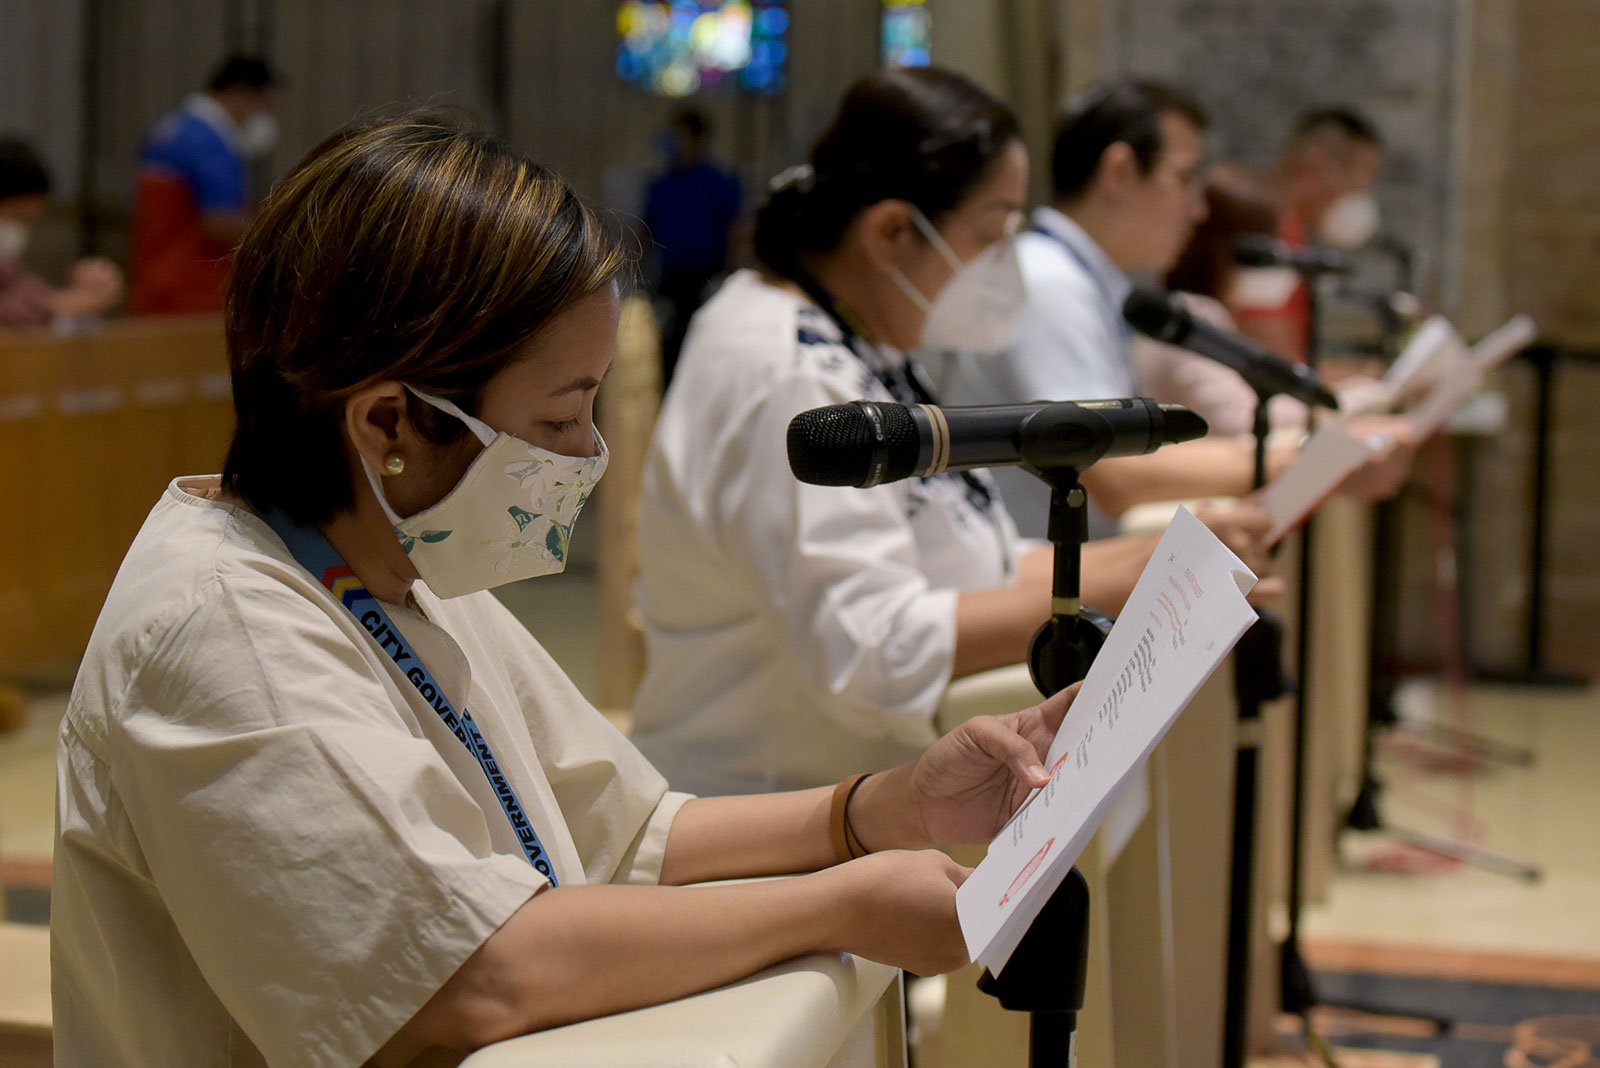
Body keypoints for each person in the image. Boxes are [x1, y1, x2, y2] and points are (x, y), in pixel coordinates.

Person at [52, 110, 1078, 1067]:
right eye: (553, 423)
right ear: (388, 426)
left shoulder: (397, 560)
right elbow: (466, 976)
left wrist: (890, 804)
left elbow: (623, 833)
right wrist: (836, 908)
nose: (586, 455)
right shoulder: (227, 635)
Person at [630, 68, 1273, 797]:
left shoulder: (861, 340)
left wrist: (1153, 556)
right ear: (892, 232)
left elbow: (972, 560)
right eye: (992, 232)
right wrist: (1120, 577)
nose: (1006, 263)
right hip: (774, 805)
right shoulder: (787, 372)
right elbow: (872, 654)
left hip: (865, 783)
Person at [128, 54, 280, 316]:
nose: (264, 118)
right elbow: (219, 222)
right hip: (193, 288)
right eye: (264, 106)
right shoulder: (211, 143)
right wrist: (280, 227)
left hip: (154, 279)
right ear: (241, 94)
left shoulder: (172, 129)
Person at [1230, 106, 1385, 360]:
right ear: (1316, 167)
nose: (1364, 195)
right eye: (1362, 177)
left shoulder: (1290, 234)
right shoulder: (1266, 233)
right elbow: (1272, 361)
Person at [642, 108, 743, 385]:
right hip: (671, 280)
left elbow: (734, 232)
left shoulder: (719, 183)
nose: (676, 143)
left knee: (706, 348)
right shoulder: (661, 184)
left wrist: (727, 276)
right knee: (670, 351)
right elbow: (644, 230)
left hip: (706, 279)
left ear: (697, 140)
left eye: (682, 137)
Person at [0, 138, 123, 328]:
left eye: (28, 223)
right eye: (15, 218)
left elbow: (26, 293)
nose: (17, 232)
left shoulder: (9, 267)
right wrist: (77, 300)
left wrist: (91, 287)